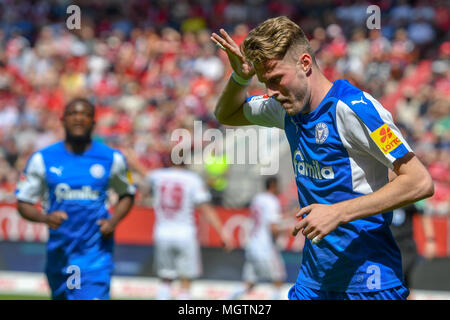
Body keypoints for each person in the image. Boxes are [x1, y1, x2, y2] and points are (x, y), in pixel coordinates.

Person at [211, 16, 434, 300]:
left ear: (305, 64)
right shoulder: (285, 107)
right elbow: (226, 114)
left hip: (369, 284)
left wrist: (338, 211)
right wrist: (241, 77)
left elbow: (420, 182)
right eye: (265, 82)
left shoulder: (355, 109)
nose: (270, 93)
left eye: (277, 79)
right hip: (313, 282)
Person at [15, 98, 136, 300]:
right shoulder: (42, 159)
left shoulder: (111, 158)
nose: (79, 118)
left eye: (85, 114)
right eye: (73, 114)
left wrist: (113, 221)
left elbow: (127, 193)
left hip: (94, 256)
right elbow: (23, 202)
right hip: (60, 256)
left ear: (93, 122)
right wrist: (45, 218)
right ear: (62, 120)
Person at [123, 149, 233, 300]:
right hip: (185, 233)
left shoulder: (160, 176)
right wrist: (222, 232)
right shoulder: (192, 180)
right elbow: (206, 208)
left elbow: (143, 171)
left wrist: (131, 157)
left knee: (165, 279)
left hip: (162, 232)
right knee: (186, 280)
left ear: (170, 160)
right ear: (186, 161)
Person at [228, 176, 291, 300]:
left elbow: (268, 218)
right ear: (273, 185)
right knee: (278, 279)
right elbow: (272, 227)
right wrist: (288, 231)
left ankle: (227, 299)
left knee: (249, 282)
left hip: (252, 244)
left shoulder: (257, 198)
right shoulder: (272, 200)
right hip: (265, 247)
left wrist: (290, 214)